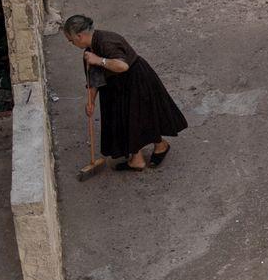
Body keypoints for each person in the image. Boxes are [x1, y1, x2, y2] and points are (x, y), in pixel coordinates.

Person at [63, 15, 187, 171]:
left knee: (142, 116)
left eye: (71, 40)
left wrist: (99, 60)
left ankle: (160, 146)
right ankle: (137, 159)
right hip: (116, 87)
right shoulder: (89, 51)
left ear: (79, 36)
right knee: (127, 120)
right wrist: (91, 101)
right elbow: (93, 78)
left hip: (135, 80)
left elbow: (122, 66)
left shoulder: (106, 42)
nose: (72, 43)